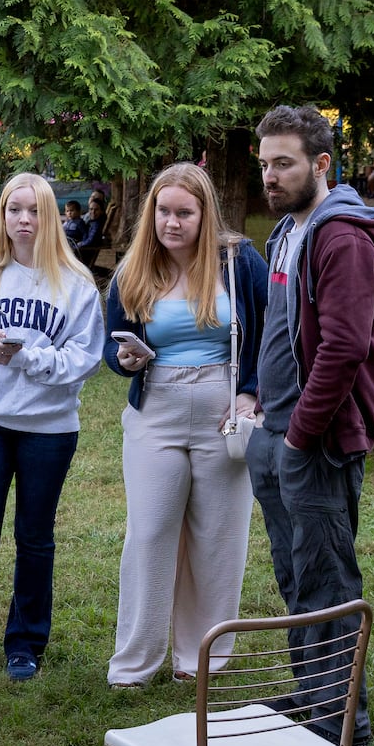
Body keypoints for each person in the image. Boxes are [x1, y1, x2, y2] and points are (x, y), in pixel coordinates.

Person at [249, 104, 374, 746]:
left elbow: (342, 349)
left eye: (284, 163)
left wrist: (301, 437)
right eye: (265, 164)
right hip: (273, 433)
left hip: (315, 442)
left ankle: (341, 722)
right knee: (296, 576)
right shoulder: (287, 231)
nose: (271, 177)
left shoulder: (342, 238)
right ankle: (314, 697)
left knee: (328, 579)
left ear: (321, 163)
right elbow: (280, 332)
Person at [104, 164, 269, 687]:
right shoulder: (134, 268)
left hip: (225, 409)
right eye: (163, 212)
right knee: (149, 533)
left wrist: (251, 392)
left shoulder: (239, 263)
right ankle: (135, 662)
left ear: (205, 215)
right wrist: (125, 361)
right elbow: (116, 341)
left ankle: (201, 660)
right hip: (158, 407)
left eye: (184, 213)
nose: (171, 223)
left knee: (218, 539)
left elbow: (272, 333)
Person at [0, 172, 104, 681]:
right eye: (14, 210)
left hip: (49, 430)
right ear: (1, 216)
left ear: (49, 215)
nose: (23, 220)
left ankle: (25, 642)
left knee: (35, 536)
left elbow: (85, 358)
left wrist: (30, 358)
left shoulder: (75, 282)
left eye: (33, 210)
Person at [75, 197, 108, 270]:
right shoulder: (92, 222)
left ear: (101, 211)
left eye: (96, 210)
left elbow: (91, 240)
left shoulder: (97, 225)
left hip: (86, 252)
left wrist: (80, 244)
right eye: (91, 209)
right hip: (84, 249)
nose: (93, 212)